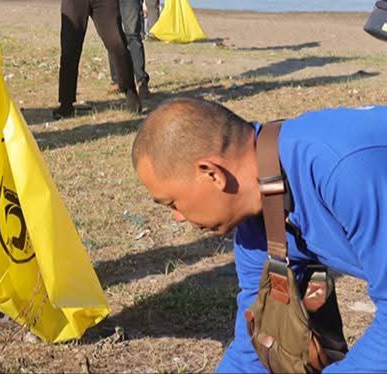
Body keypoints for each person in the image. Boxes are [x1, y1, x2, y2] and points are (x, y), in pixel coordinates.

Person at [133, 98, 387, 372]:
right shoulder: (259, 221)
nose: (177, 216)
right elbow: (257, 345)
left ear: (211, 173)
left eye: (172, 203)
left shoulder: (340, 169)